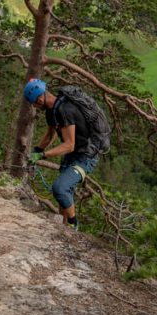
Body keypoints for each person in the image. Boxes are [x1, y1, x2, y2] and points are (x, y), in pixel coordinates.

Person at [23, 78, 99, 230]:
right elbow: (51, 135)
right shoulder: (51, 112)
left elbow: (69, 145)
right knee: (63, 196)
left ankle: (73, 225)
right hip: (72, 156)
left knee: (60, 188)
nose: (35, 107)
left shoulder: (65, 110)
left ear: (40, 98)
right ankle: (64, 228)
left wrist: (43, 155)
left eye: (35, 104)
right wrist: (36, 150)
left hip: (85, 157)